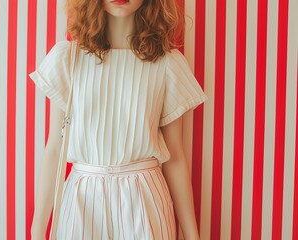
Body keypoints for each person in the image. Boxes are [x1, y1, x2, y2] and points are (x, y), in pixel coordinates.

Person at [29, 0, 208, 238]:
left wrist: (191, 234)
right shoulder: (68, 59)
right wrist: (37, 229)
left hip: (145, 199)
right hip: (82, 199)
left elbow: (175, 157)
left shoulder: (168, 64)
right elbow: (55, 147)